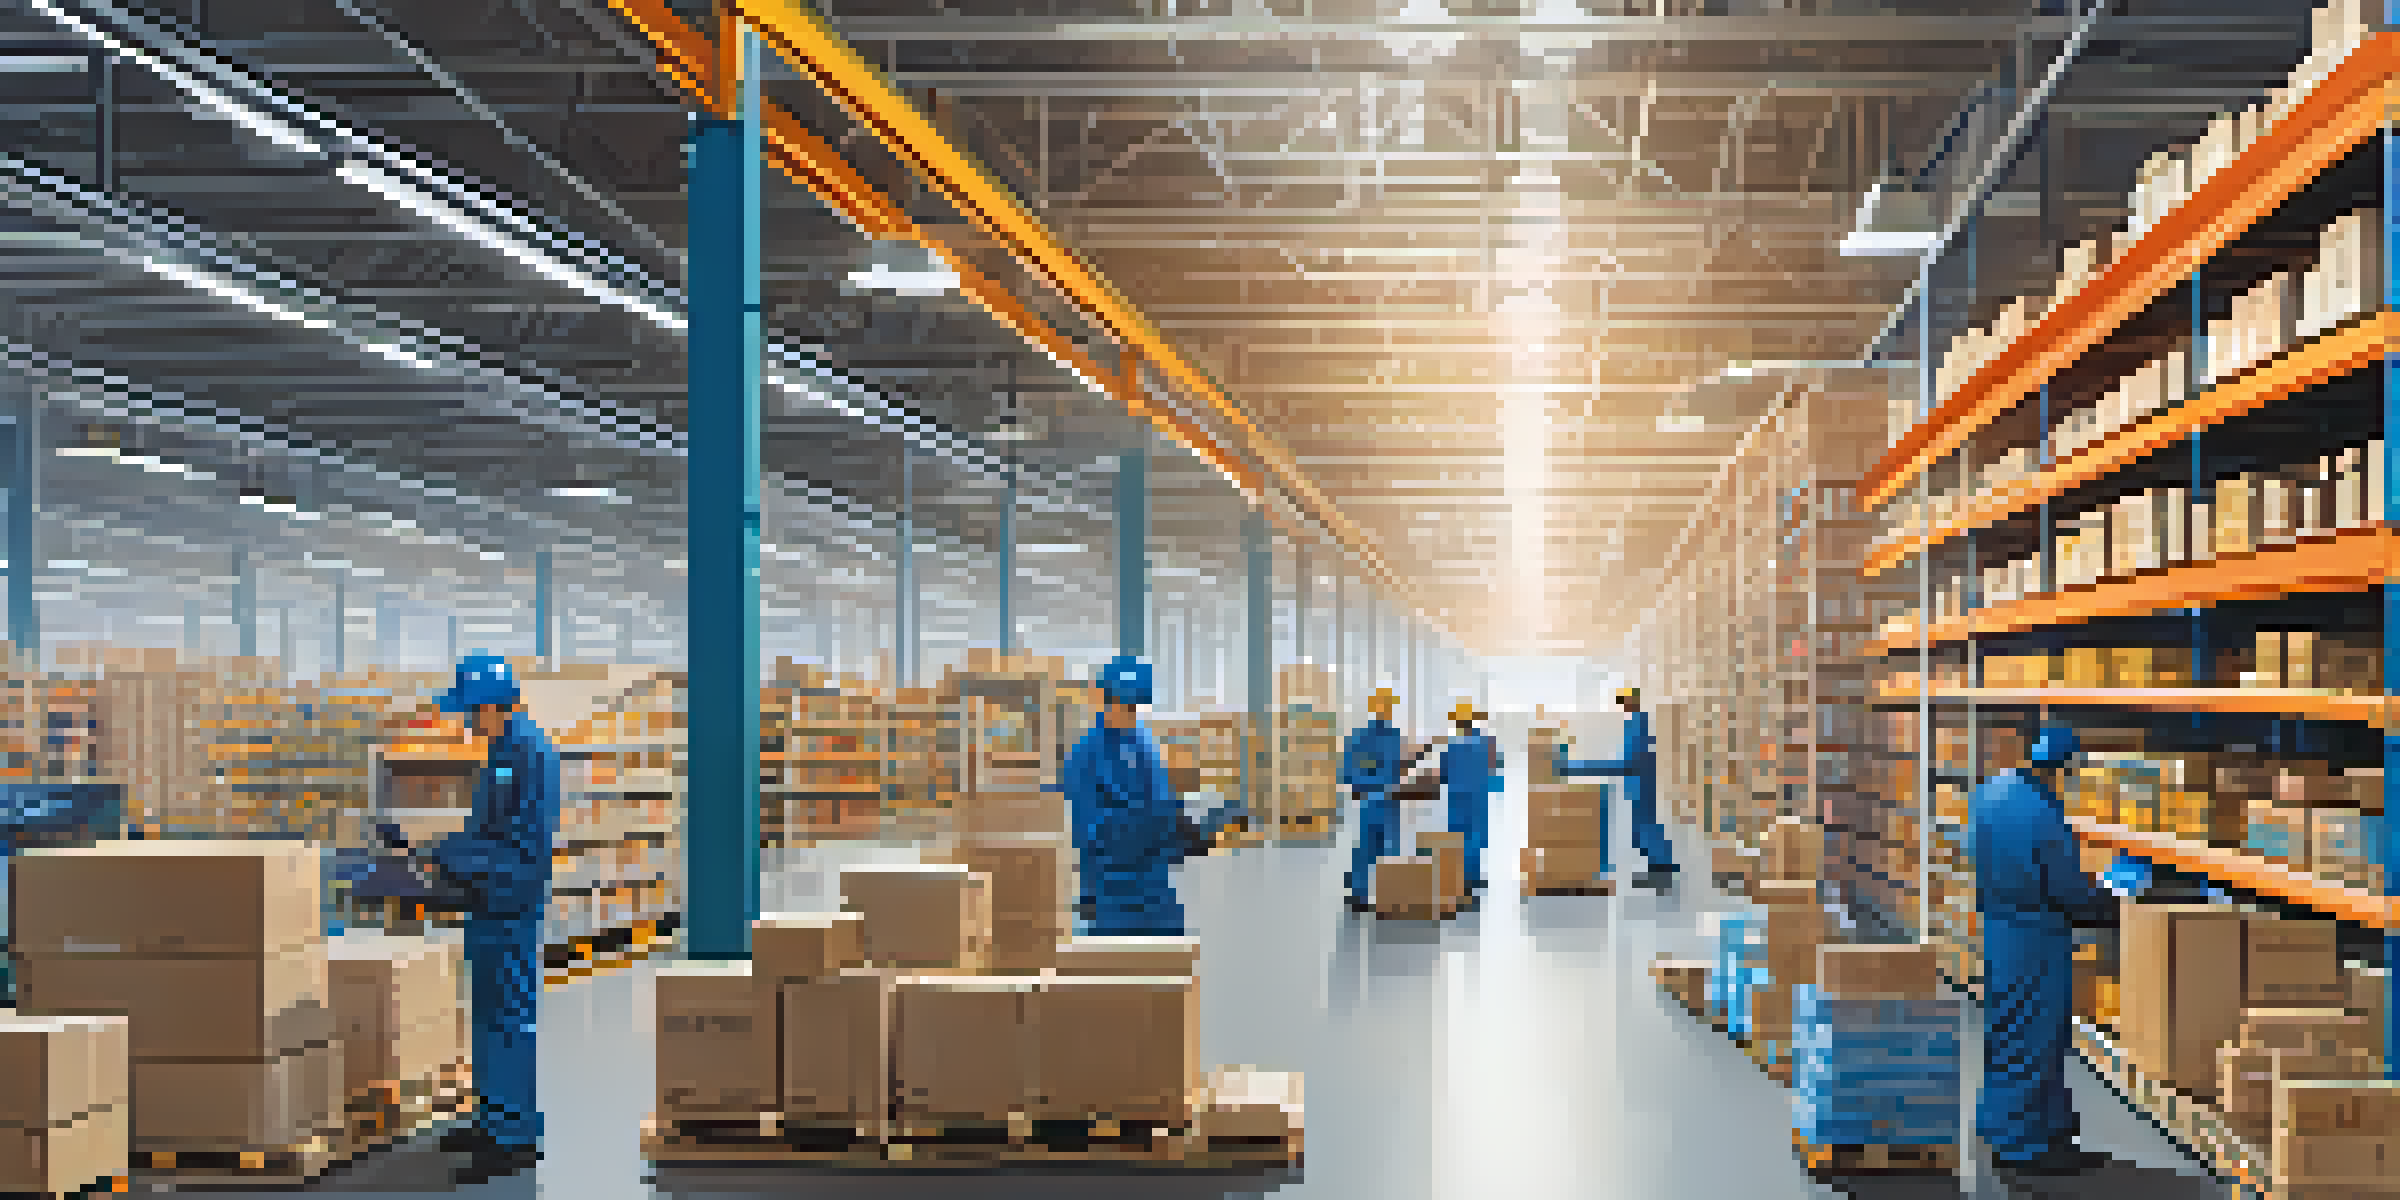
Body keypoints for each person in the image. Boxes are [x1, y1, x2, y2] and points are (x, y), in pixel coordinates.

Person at [420, 653, 560, 1182]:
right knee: (486, 1015)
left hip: (511, 904)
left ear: (491, 705)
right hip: (486, 902)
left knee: (511, 1018)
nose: (466, 722)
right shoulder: (501, 749)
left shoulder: (531, 753)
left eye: (469, 711)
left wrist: (455, 858)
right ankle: (491, 1114)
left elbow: (526, 847)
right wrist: (445, 847)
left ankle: (516, 1134)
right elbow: (486, 830)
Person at [1971, 724, 2116, 1177]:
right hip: (2036, 937)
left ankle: (2016, 1128)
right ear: (2062, 769)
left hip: (1997, 930)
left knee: (2004, 1031)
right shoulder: (2044, 814)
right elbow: (2068, 889)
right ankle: (2024, 1145)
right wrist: (2112, 905)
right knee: (2036, 1039)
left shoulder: (1990, 793)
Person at [1066, 655, 1236, 937]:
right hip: (1112, 893)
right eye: (1122, 704)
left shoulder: (1143, 743)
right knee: (1121, 972)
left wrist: (1191, 832)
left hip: (1155, 888)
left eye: (1134, 706)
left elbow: (1162, 801)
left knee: (1169, 967)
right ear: (1104, 700)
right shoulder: (1085, 755)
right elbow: (1091, 833)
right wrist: (1160, 826)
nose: (1128, 713)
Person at [1555, 687, 1677, 891]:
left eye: (1624, 701)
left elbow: (1627, 763)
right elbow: (1625, 761)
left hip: (1641, 784)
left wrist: (1578, 768)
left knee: (1645, 830)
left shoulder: (1638, 725)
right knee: (1641, 832)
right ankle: (1659, 869)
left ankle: (1662, 871)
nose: (1622, 706)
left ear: (1633, 701)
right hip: (1637, 783)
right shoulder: (1634, 724)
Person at [1339, 687, 1406, 913]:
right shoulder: (1393, 737)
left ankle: (1359, 894)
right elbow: (1396, 770)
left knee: (1366, 848)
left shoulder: (1359, 736)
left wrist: (1361, 785)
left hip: (1370, 800)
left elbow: (1347, 770)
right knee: (1387, 848)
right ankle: (1388, 897)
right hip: (1388, 801)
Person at [1437, 700, 1500, 894]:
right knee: (1475, 839)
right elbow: (1493, 770)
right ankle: (1471, 880)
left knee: (1459, 840)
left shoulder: (1451, 747)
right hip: (1479, 798)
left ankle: (1461, 880)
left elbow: (1443, 776)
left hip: (1458, 800)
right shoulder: (1487, 743)